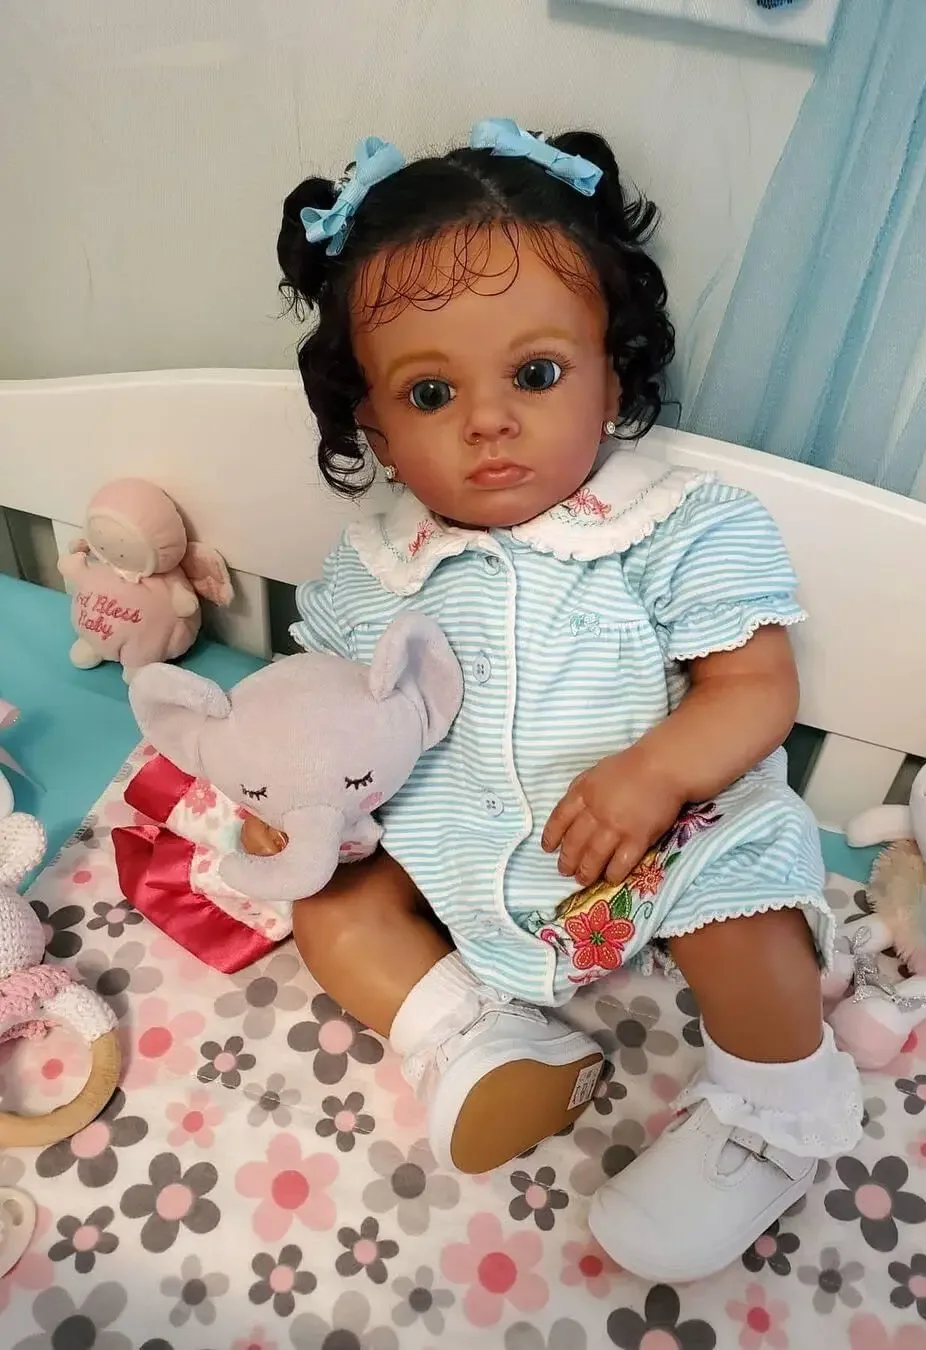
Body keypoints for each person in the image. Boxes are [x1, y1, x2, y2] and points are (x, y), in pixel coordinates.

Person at [260, 118, 862, 1283]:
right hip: (446, 854)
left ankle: (775, 1115)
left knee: (745, 901)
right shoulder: (375, 567)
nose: (487, 420)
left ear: (611, 376)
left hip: (647, 846)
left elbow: (754, 686)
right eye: (431, 391)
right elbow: (326, 705)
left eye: (535, 375)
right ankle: (473, 1040)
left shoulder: (672, 526)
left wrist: (657, 775)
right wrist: (293, 797)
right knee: (329, 901)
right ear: (374, 424)